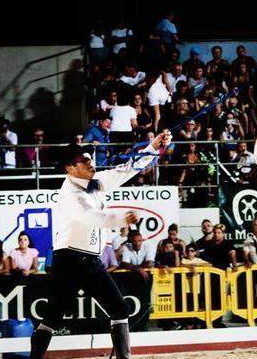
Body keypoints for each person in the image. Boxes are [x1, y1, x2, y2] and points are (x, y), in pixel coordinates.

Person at [28, 132, 167, 359]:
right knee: (56, 316)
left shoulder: (92, 182)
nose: (91, 162)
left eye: (90, 159)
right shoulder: (71, 194)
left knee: (115, 309)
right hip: (72, 260)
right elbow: (94, 218)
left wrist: (154, 145)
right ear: (70, 168)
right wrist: (123, 219)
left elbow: (126, 169)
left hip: (89, 259)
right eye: (85, 160)